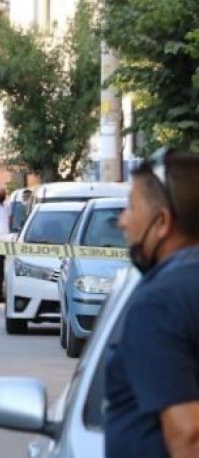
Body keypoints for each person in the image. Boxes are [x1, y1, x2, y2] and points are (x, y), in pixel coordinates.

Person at [106, 149, 199, 458]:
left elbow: (189, 436)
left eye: (131, 208)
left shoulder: (159, 302)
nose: (122, 221)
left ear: (161, 222)